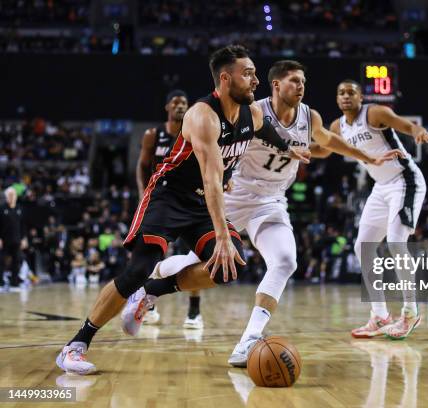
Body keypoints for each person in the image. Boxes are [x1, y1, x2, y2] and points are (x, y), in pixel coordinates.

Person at [55, 45, 309, 375]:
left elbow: (268, 132)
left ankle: (150, 292)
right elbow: (213, 179)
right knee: (138, 268)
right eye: (248, 74)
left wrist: (289, 147)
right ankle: (76, 345)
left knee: (225, 267)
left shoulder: (254, 115)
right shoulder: (202, 116)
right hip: (169, 196)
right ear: (225, 77)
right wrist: (221, 234)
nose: (256, 80)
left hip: (200, 201)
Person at [138, 60, 401, 367]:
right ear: (276, 85)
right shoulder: (252, 111)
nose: (301, 86)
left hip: (271, 202)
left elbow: (330, 142)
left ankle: (248, 339)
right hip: (234, 198)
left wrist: (369, 156)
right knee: (203, 266)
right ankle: (154, 279)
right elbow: (215, 145)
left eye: (303, 81)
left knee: (286, 260)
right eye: (293, 81)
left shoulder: (309, 116)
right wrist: (222, 176)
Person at [313, 79, 428, 340]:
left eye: (351, 92)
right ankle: (379, 315)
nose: (346, 96)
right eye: (341, 92)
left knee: (396, 243)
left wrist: (418, 132)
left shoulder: (375, 112)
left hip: (405, 180)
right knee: (362, 246)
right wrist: (295, 151)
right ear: (336, 99)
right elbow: (323, 151)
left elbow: (406, 125)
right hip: (380, 187)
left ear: (360, 97)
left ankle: (410, 312)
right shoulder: (337, 126)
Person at [136, 89, 204, 329]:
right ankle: (149, 306)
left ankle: (194, 312)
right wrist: (144, 196)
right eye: (175, 102)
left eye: (184, 102)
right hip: (163, 202)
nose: (180, 106)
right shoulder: (153, 135)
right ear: (167, 107)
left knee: (194, 259)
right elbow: (143, 166)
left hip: (189, 203)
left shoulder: (194, 133)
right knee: (151, 254)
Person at [0, 187, 27, 289]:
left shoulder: (20, 209)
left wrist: (24, 238)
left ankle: (14, 282)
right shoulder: (2, 209)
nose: (11, 197)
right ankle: (0, 282)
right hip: (4, 240)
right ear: (6, 197)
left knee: (16, 261)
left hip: (17, 240)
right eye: (9, 195)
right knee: (1, 261)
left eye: (13, 195)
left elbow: (23, 225)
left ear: (16, 196)